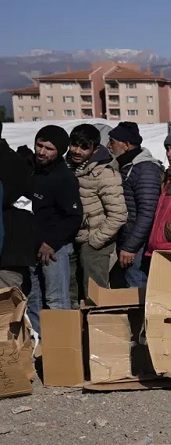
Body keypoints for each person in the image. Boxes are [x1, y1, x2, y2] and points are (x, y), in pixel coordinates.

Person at [28, 126, 83, 334]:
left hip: (54, 250)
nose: (42, 152)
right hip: (32, 248)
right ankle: (42, 349)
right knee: (35, 299)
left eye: (49, 148)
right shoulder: (33, 171)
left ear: (59, 151)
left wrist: (50, 242)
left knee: (57, 300)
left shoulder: (64, 178)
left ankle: (64, 350)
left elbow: (74, 216)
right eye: (39, 145)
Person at [67, 124, 127, 304]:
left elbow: (119, 214)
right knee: (72, 293)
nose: (77, 151)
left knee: (95, 296)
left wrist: (95, 241)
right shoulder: (69, 167)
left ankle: (99, 330)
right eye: (74, 145)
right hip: (73, 239)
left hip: (94, 242)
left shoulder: (104, 173)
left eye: (84, 147)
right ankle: (74, 331)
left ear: (94, 149)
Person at [108, 122, 163, 288]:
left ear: (126, 145)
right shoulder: (126, 166)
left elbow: (147, 212)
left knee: (137, 289)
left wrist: (130, 247)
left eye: (112, 141)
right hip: (129, 239)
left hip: (139, 243)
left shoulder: (144, 169)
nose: (109, 145)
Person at [0, 123, 36, 289]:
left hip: (9, 254)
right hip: (11, 252)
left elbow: (21, 202)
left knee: (8, 309)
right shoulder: (15, 161)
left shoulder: (12, 163)